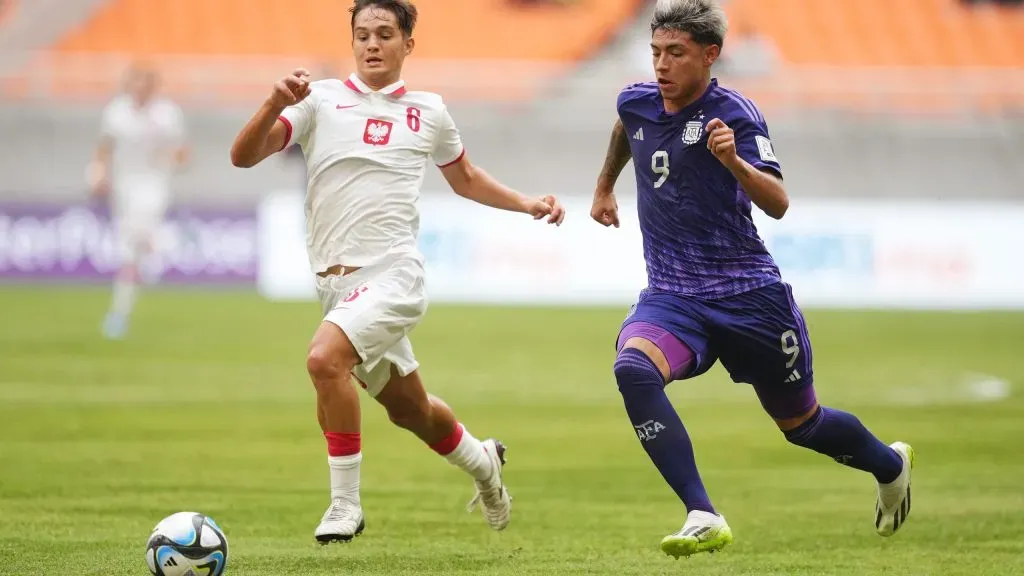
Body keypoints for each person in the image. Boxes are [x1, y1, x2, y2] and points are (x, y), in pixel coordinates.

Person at [230, 0, 565, 544]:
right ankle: (485, 464)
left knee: (323, 359)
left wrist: (527, 203)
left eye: (384, 33)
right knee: (413, 413)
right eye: (362, 34)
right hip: (337, 288)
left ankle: (345, 505)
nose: (372, 44)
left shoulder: (428, 111)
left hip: (394, 276)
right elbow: (243, 157)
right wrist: (272, 102)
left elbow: (467, 179)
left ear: (408, 44)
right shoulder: (318, 100)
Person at [589, 0, 913, 559]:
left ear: (710, 55)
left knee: (802, 425)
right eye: (656, 52)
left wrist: (734, 163)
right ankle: (702, 512)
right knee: (633, 369)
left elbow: (779, 203)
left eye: (677, 54)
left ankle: (890, 465)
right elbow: (625, 125)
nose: (662, 65)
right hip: (673, 295)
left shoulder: (734, 114)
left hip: (749, 298)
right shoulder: (637, 100)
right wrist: (603, 188)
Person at [89, 62, 189, 339]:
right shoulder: (116, 112)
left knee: (136, 235)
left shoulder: (167, 114)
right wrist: (98, 173)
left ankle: (150, 249)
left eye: (146, 83)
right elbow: (104, 147)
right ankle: (125, 303)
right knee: (129, 250)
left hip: (154, 183)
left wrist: (174, 158)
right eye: (136, 83)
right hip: (124, 185)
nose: (140, 89)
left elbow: (182, 151)